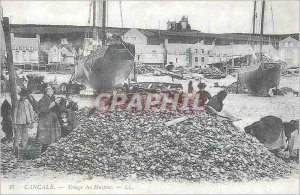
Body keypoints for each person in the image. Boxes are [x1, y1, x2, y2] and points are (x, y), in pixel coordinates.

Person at [36, 87, 61, 153]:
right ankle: (44, 151)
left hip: (52, 119)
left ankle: (49, 151)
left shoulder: (53, 98)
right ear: (46, 92)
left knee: (52, 136)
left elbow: (58, 108)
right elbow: (41, 110)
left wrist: (57, 104)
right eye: (49, 90)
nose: (51, 91)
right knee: (46, 137)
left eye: (51, 90)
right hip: (45, 120)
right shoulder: (43, 99)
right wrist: (50, 107)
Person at [13, 89, 35, 157]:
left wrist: (32, 121)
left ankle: (23, 148)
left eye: (25, 96)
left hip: (26, 121)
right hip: (19, 121)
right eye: (22, 96)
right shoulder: (17, 102)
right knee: (17, 135)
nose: (24, 97)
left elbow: (31, 111)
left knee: (25, 135)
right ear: (20, 96)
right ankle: (16, 148)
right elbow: (15, 112)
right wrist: (14, 122)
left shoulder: (27, 102)